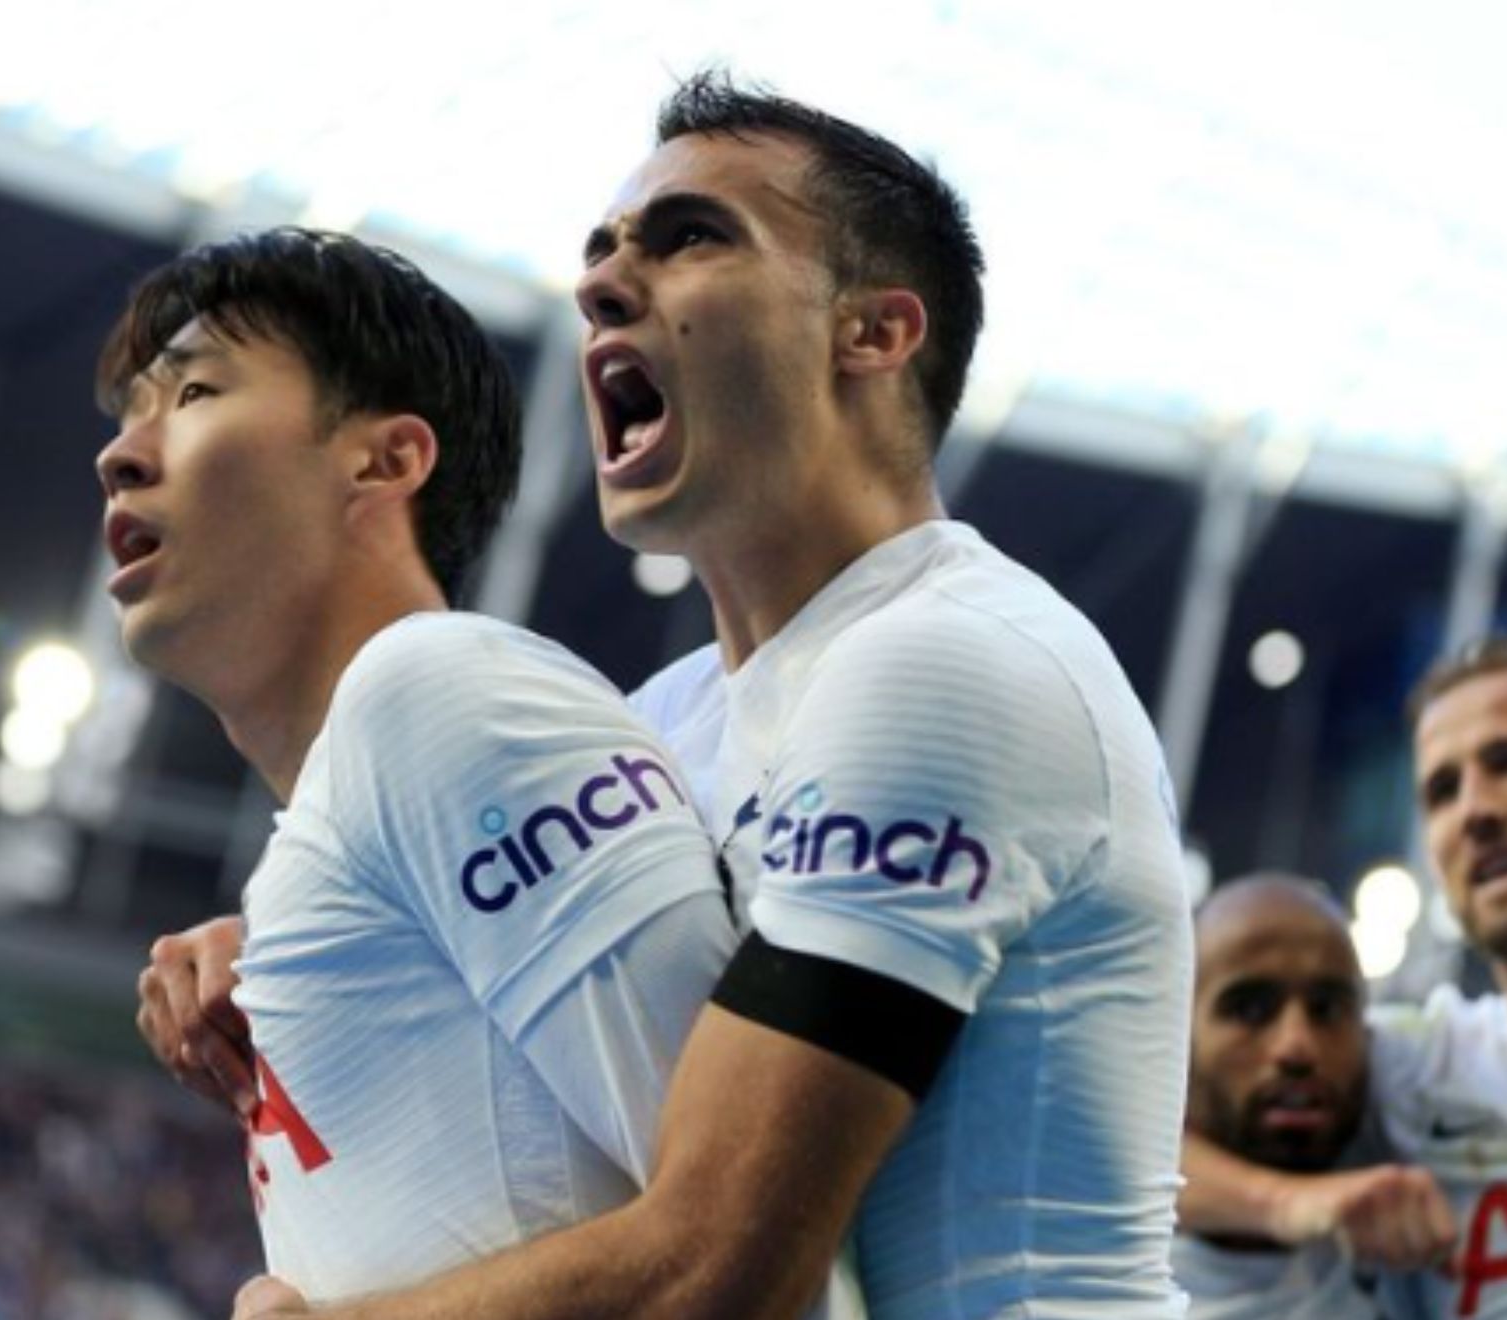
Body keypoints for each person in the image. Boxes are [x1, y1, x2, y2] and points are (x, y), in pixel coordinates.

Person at [163, 72, 1194, 1319]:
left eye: (690, 237)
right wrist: (293, 946)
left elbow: (728, 1267)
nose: (600, 285)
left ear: (873, 333)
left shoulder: (950, 662)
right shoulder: (665, 718)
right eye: (598, 253)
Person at [92, 227, 749, 1306]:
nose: (120, 453)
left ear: (387, 459)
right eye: (128, 417)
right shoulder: (362, 794)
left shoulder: (438, 689)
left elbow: (759, 1235)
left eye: (196, 392)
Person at [1180, 636, 1507, 1318]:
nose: (1475, 811)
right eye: (1442, 790)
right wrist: (1292, 1204)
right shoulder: (1403, 1067)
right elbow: (1124, 1141)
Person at [1174, 873, 1386, 1317]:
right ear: (1177, 1036)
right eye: (1250, 1010)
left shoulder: (1413, 1255)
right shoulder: (1087, 1283)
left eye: (1327, 1009)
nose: (1297, 1047)